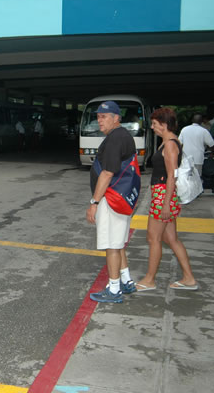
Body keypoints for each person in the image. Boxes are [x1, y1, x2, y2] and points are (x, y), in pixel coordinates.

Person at [135, 108, 198, 292]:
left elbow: (172, 176)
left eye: (154, 124)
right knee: (171, 239)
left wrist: (165, 204)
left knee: (153, 237)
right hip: (165, 194)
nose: (152, 127)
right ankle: (189, 278)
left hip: (164, 194)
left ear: (163, 124)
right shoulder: (170, 142)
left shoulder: (170, 144)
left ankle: (149, 279)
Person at [86, 101, 137, 303]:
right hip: (121, 198)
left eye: (104, 116)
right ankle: (126, 280)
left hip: (111, 199)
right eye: (98, 116)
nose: (100, 120)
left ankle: (114, 289)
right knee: (118, 242)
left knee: (111, 246)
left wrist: (94, 202)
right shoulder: (123, 135)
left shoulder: (115, 139)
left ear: (117, 118)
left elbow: (107, 173)